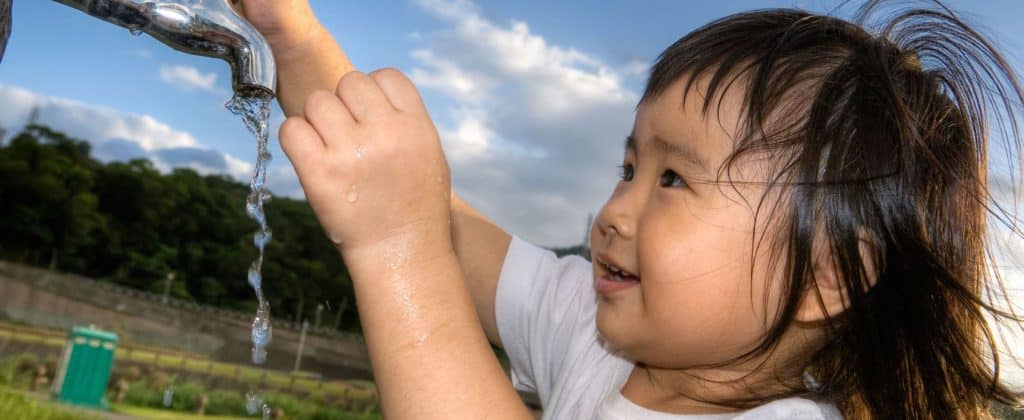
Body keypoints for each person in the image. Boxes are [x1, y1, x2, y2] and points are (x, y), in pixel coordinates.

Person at [232, 1, 1024, 418]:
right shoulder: (592, 335)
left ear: (827, 274)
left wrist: (396, 251)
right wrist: (291, 34)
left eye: (673, 179)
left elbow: (420, 237)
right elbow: (443, 220)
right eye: (627, 167)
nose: (612, 211)